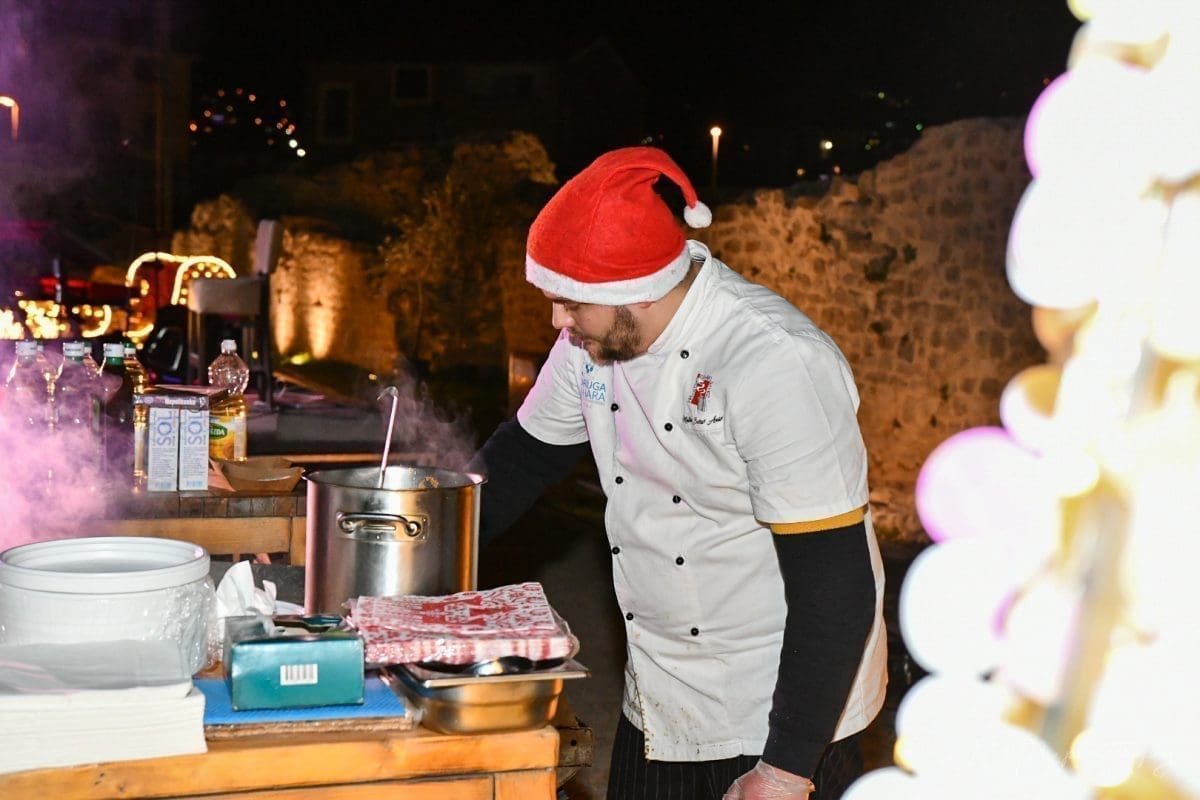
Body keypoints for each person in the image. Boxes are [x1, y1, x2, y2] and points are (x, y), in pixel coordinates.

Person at [472, 147, 887, 800]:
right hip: (660, 692)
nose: (557, 322)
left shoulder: (774, 363)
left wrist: (784, 771)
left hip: (781, 708)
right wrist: (413, 544)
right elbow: (521, 459)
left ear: (634, 291)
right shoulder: (591, 341)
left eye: (569, 303)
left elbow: (834, 585)